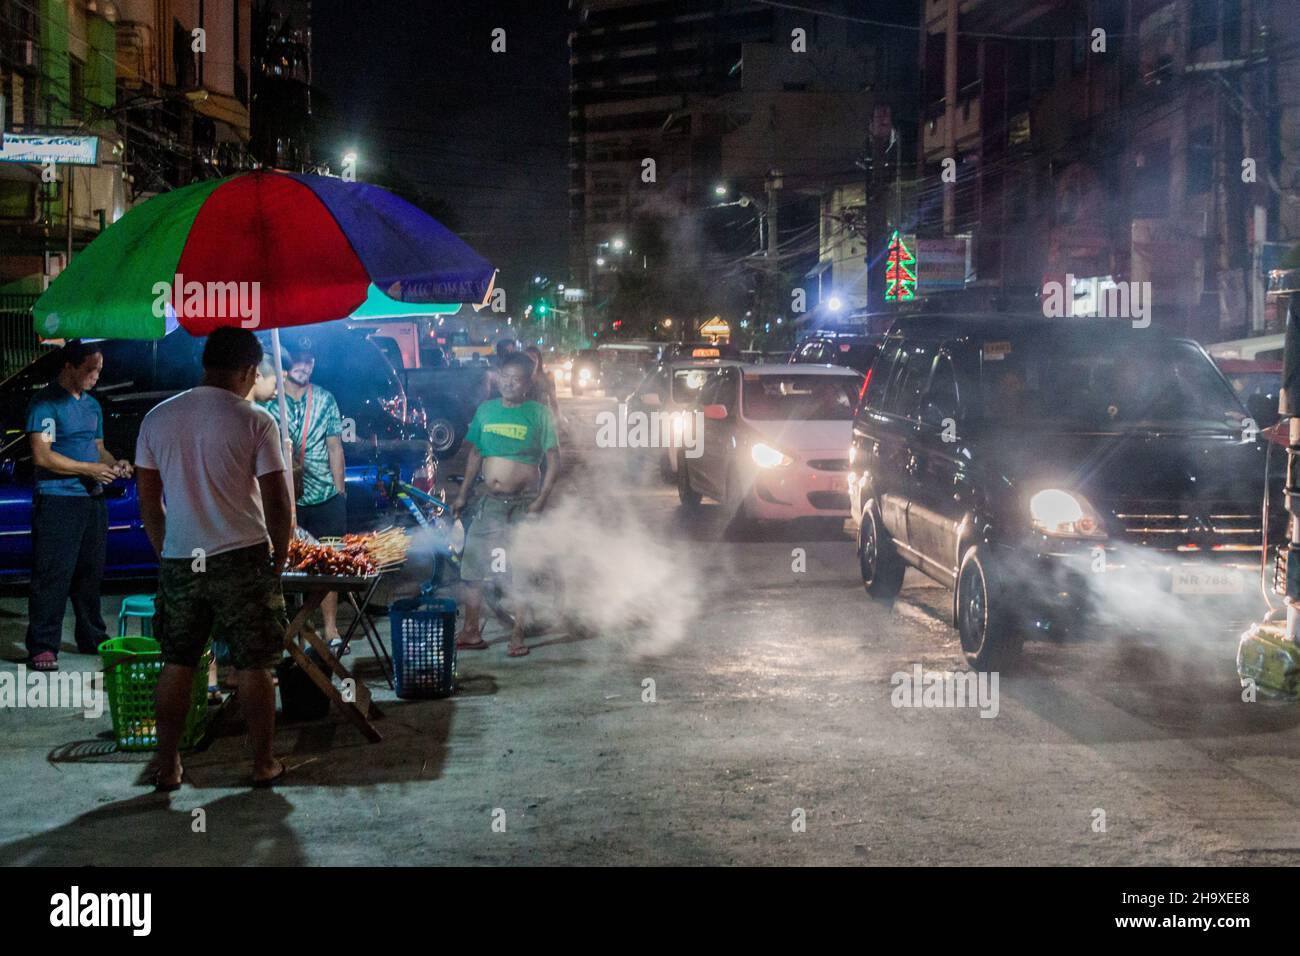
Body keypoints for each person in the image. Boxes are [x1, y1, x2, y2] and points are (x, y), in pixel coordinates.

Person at [135, 328, 293, 790]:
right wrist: (279, 557)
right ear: (246, 369)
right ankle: (262, 763)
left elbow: (149, 503)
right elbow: (279, 503)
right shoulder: (256, 421)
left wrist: (168, 548)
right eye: (256, 372)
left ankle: (169, 767)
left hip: (183, 559)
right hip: (241, 556)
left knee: (178, 661)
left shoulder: (157, 419)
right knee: (254, 664)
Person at [24, 340, 131, 672]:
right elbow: (43, 456)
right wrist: (89, 470)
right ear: (68, 367)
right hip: (58, 499)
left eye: (99, 369)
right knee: (53, 575)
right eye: (89, 370)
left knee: (90, 575)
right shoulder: (46, 405)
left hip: (92, 500)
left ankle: (91, 636)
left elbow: (98, 449)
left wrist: (115, 464)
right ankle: (43, 646)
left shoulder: (92, 407)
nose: (96, 376)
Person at [451, 352, 560, 657]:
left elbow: (554, 460)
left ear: (527, 384)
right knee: (472, 562)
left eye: (516, 379)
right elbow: (474, 456)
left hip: (525, 504)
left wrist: (542, 499)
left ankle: (517, 634)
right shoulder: (486, 411)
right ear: (497, 378)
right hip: (491, 501)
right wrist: (462, 494)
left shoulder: (539, 413)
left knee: (521, 565)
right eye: (504, 377)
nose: (508, 384)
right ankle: (471, 631)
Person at [263, 346, 347, 646]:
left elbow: (335, 446)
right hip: (286, 500)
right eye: (298, 359)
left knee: (331, 563)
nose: (304, 365)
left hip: (324, 496)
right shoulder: (270, 401)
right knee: (286, 566)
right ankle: (293, 629)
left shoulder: (324, 398)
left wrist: (340, 493)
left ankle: (330, 628)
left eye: (310, 359)